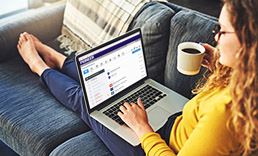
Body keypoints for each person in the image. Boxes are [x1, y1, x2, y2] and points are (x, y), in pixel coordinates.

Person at [17, 0, 258, 155]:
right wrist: (219, 64)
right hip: (176, 126)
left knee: (88, 103)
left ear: (250, 43)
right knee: (102, 92)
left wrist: (142, 128)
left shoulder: (226, 112)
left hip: (154, 147)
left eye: (222, 31)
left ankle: (39, 66)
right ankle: (60, 60)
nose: (216, 38)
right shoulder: (248, 80)